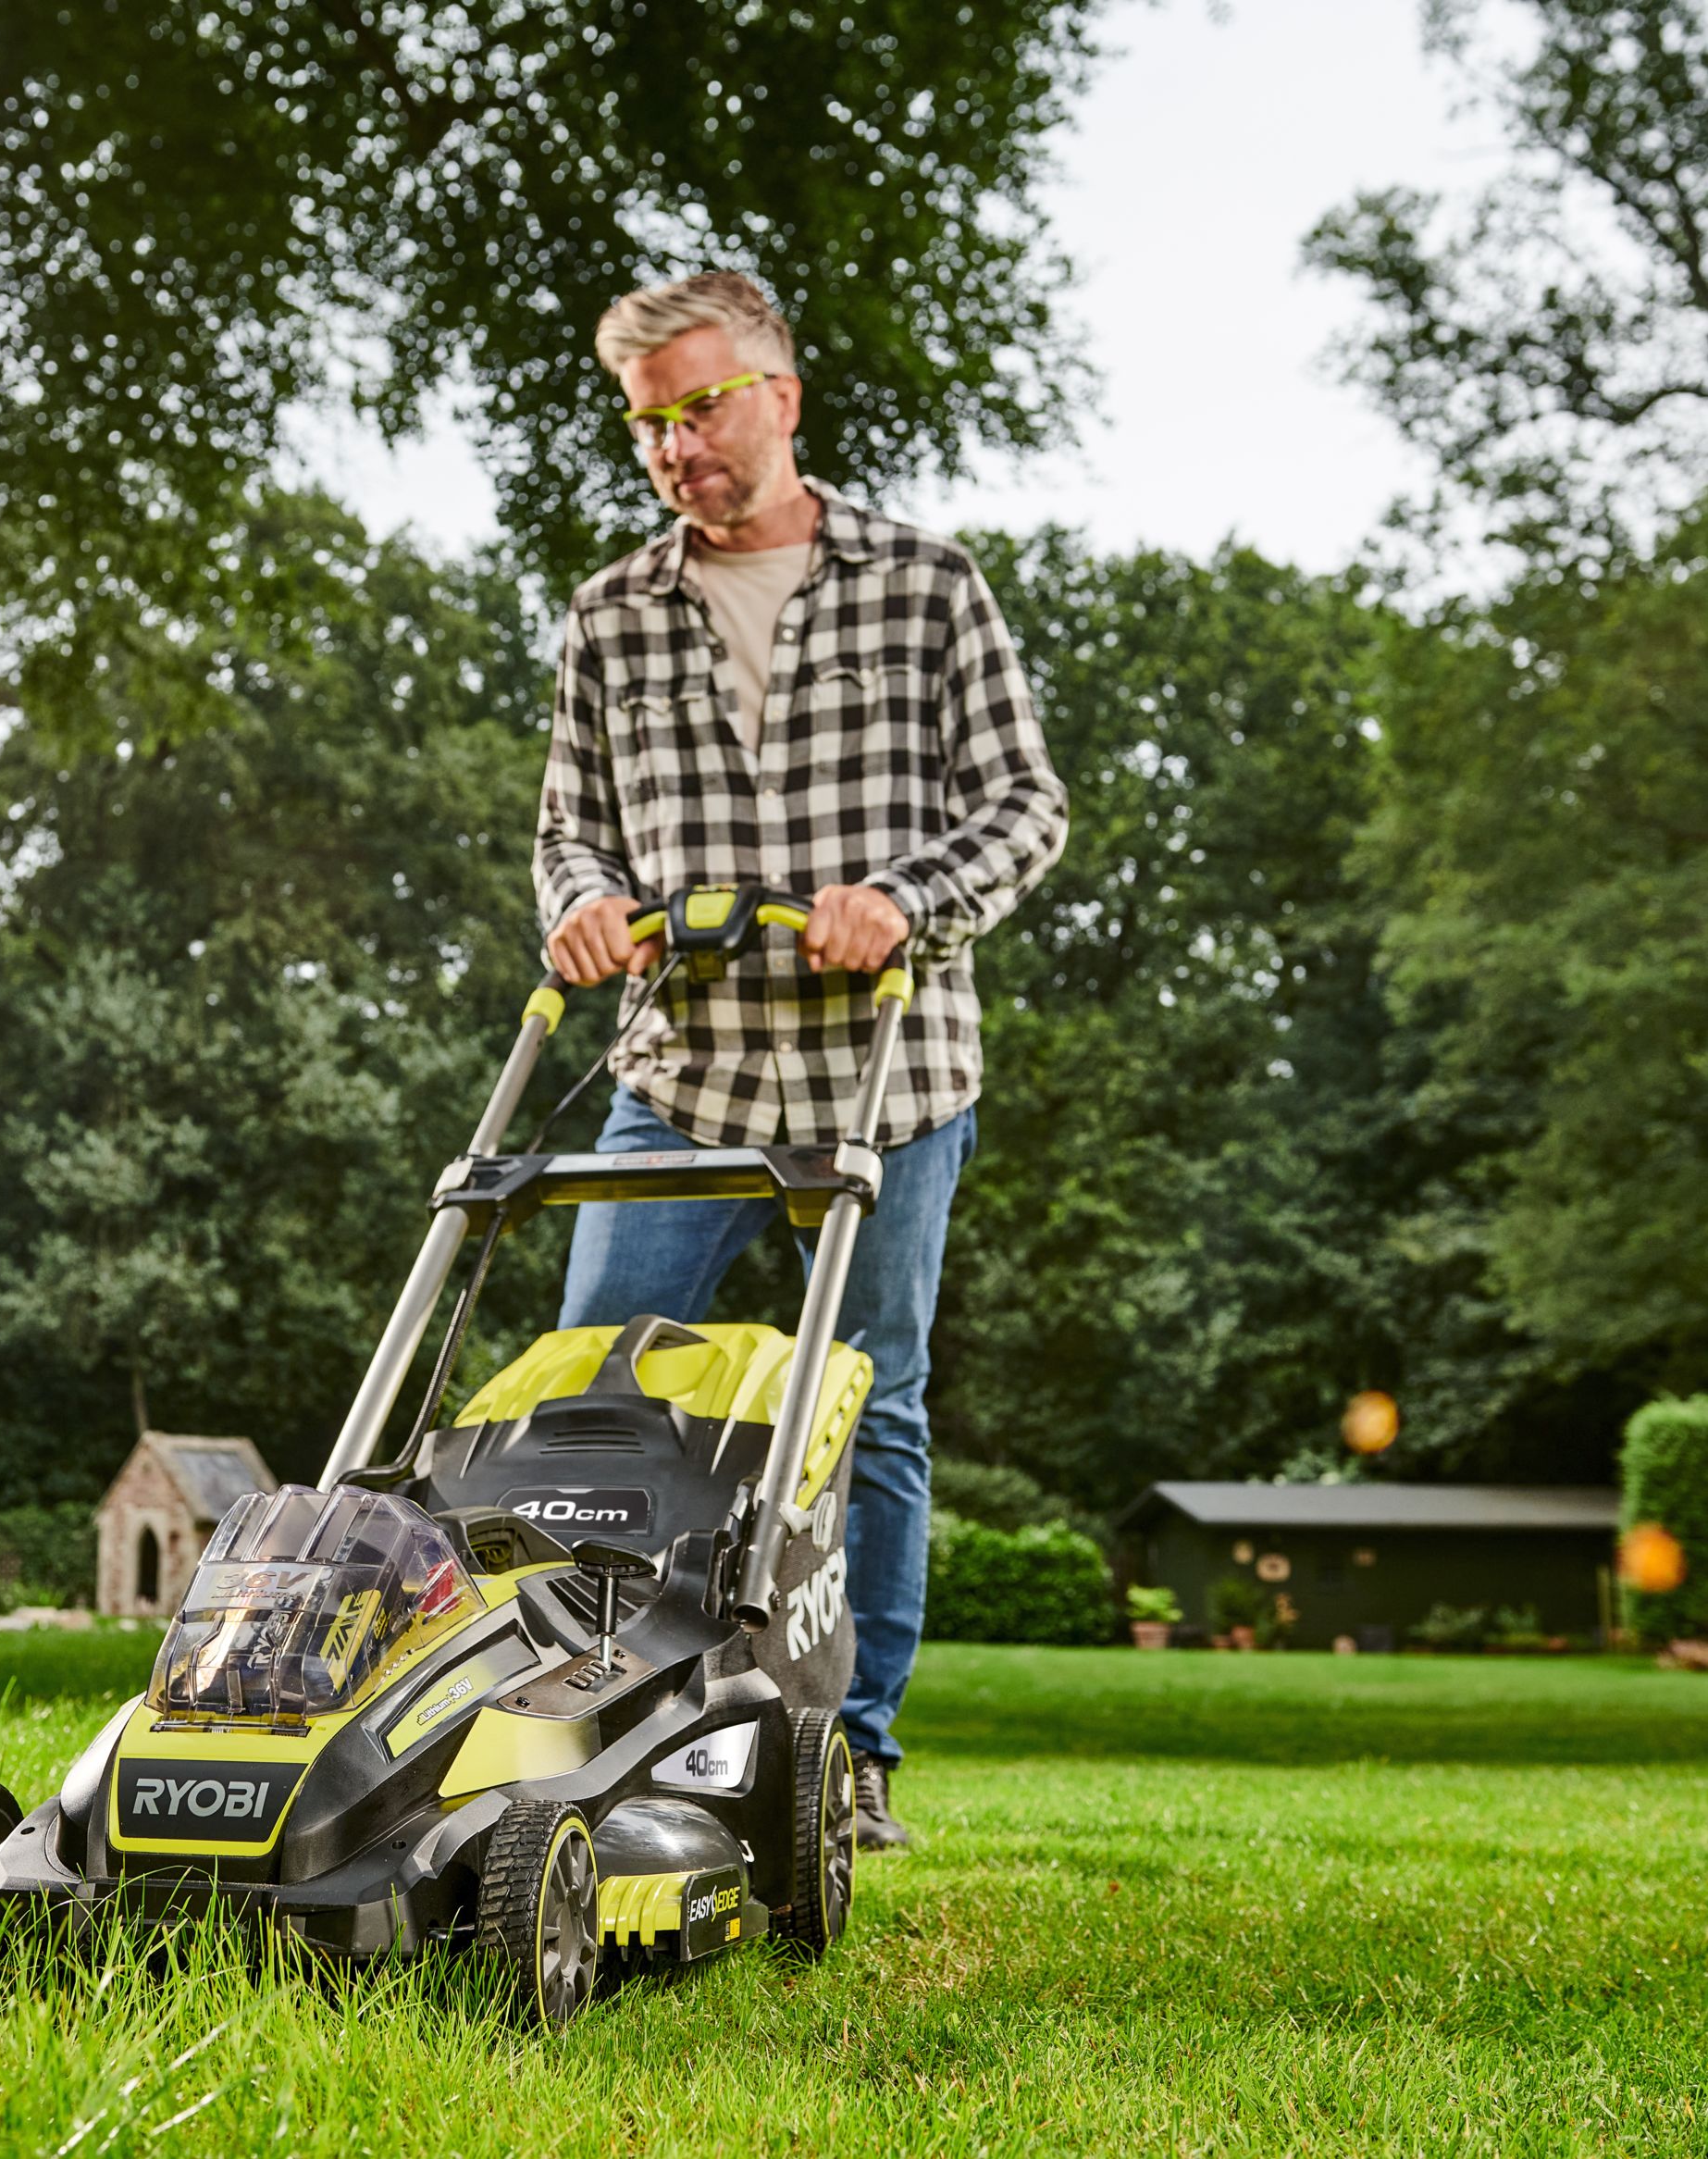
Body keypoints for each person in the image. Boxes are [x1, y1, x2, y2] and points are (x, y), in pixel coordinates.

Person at [533, 270, 1068, 1849]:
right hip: (681, 1072)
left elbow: (1024, 806)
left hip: (883, 1079)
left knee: (873, 1410)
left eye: (695, 407)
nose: (671, 446)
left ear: (779, 392)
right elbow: (570, 825)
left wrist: (904, 899)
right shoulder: (611, 611)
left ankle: (859, 1759)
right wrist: (576, 909)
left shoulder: (925, 584)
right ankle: (576, 1716)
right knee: (591, 1398)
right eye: (646, 423)